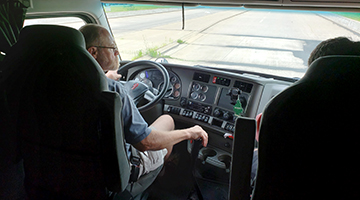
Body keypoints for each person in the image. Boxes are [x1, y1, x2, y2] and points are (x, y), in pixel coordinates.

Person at [79, 24, 208, 180]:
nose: (117, 52)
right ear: (93, 52)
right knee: (167, 120)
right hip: (119, 169)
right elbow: (146, 143)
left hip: (80, 165)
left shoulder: (64, 83)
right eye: (112, 48)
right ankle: (159, 174)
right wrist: (189, 132)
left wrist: (104, 77)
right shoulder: (114, 90)